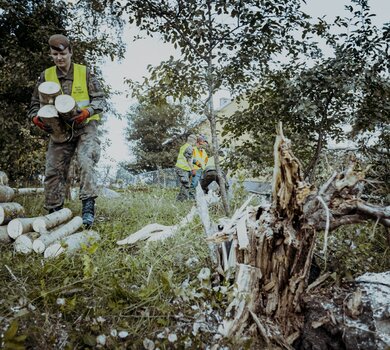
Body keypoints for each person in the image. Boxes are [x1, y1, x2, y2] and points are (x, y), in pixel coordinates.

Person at [28, 34, 105, 227]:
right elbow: (34, 106)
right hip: (59, 130)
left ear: (70, 52)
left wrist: (87, 112)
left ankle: (88, 208)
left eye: (62, 53)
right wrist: (36, 118)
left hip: (85, 125)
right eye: (55, 54)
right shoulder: (45, 76)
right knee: (53, 168)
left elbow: (101, 100)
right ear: (51, 55)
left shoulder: (85, 73)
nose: (59, 58)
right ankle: (55, 212)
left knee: (85, 160)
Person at [175, 134, 197, 201]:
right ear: (194, 141)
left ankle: (179, 200)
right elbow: (189, 160)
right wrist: (193, 169)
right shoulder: (189, 147)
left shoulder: (183, 146)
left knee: (184, 185)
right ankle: (182, 200)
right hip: (183, 168)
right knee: (186, 184)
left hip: (181, 167)